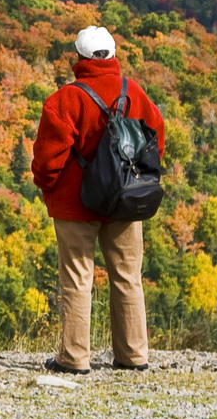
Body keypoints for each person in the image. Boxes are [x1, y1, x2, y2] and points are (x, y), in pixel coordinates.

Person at [29, 24, 166, 373]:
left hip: (75, 205)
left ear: (79, 58)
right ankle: (133, 356)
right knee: (128, 276)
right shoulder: (134, 93)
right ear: (113, 55)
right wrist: (138, 178)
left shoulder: (65, 100)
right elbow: (156, 138)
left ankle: (74, 358)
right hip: (125, 200)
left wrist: (48, 187)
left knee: (77, 279)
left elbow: (48, 159)